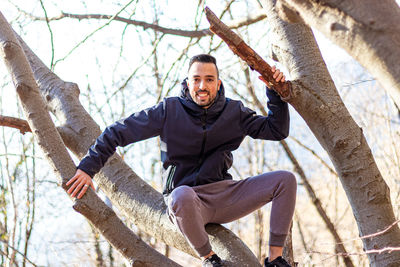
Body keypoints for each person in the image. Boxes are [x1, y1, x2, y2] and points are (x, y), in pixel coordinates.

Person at [66, 54, 296, 267]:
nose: (202, 86)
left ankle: (275, 259)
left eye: (209, 79)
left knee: (285, 180)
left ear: (218, 83)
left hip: (224, 194)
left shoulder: (233, 111)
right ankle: (209, 258)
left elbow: (276, 130)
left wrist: (274, 91)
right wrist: (88, 167)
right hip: (185, 202)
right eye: (196, 79)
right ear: (187, 82)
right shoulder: (169, 111)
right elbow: (116, 132)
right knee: (181, 194)